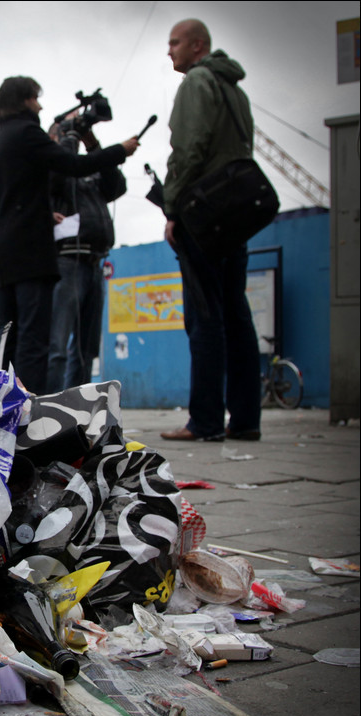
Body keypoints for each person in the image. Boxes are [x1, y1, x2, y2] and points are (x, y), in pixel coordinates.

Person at [0, 76, 138, 393]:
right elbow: (71, 165)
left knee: (9, 339)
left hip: (5, 251)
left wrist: (35, 211)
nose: (39, 106)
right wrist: (119, 150)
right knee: (36, 341)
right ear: (25, 101)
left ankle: (3, 408)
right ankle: (34, 416)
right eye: (36, 99)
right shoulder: (28, 134)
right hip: (33, 254)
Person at [160, 19, 261, 443]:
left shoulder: (197, 82)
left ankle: (204, 421)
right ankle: (246, 420)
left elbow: (189, 148)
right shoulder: (234, 89)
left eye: (175, 42)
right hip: (235, 213)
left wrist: (173, 207)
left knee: (204, 317)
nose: (169, 51)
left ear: (197, 46)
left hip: (203, 214)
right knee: (236, 314)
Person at [44, 119, 127, 393]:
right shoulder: (53, 169)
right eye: (67, 137)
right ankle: (49, 407)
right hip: (66, 261)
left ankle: (74, 411)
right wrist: (69, 136)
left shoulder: (88, 173)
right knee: (57, 345)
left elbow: (116, 185)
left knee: (86, 347)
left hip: (94, 262)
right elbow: (55, 174)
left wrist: (93, 145)